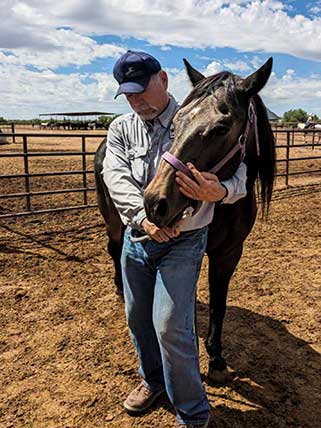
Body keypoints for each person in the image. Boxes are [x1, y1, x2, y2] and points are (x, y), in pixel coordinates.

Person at [102, 50, 247, 428]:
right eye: (128, 94)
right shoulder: (120, 129)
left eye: (142, 91)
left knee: (170, 324)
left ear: (164, 81)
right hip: (138, 237)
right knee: (137, 319)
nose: (136, 101)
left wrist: (223, 191)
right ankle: (152, 381)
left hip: (184, 241)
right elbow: (115, 177)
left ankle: (194, 412)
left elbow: (240, 173)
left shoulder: (194, 116)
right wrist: (141, 220)